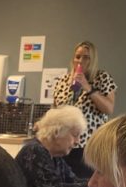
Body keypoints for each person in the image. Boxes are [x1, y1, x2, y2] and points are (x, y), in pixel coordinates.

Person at [48, 41, 117, 178]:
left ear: (92, 60)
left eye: (86, 57)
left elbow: (109, 109)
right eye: (78, 56)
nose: (80, 61)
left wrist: (88, 88)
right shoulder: (62, 81)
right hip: (64, 147)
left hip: (89, 146)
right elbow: (55, 110)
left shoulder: (102, 78)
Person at [15, 106, 94, 187]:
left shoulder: (55, 156)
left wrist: (97, 183)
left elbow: (73, 181)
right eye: (75, 135)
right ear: (57, 132)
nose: (78, 141)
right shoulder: (33, 151)